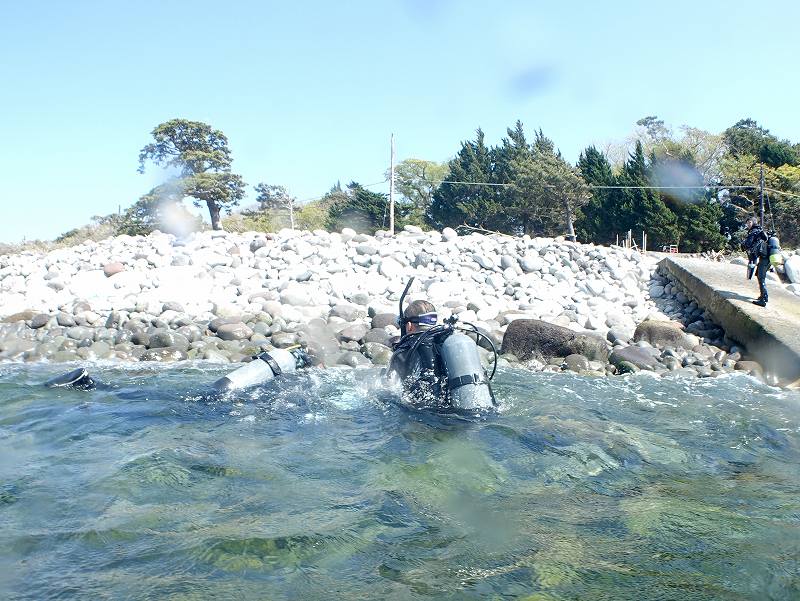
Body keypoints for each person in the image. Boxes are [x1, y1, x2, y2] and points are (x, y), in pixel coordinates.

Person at [386, 300, 445, 407]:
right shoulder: (446, 342)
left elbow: (390, 385)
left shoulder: (403, 352)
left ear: (409, 326)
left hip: (423, 410)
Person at [741, 217, 770, 307]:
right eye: (747, 223)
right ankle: (764, 296)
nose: (748, 224)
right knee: (760, 276)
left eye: (749, 222)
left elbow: (747, 244)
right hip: (766, 258)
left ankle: (763, 300)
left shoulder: (754, 232)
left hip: (765, 259)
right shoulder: (759, 231)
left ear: (753, 222)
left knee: (761, 278)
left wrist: (742, 243)